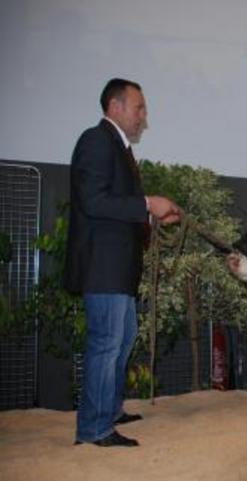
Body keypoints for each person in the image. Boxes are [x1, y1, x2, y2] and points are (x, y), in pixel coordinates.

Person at [64, 78, 181, 447]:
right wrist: (147, 203)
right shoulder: (96, 141)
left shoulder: (118, 147)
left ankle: (110, 411)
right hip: (104, 267)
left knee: (123, 337)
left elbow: (113, 205)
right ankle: (94, 430)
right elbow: (94, 202)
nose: (144, 117)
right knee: (107, 343)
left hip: (117, 268)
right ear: (115, 107)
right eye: (139, 108)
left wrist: (151, 216)